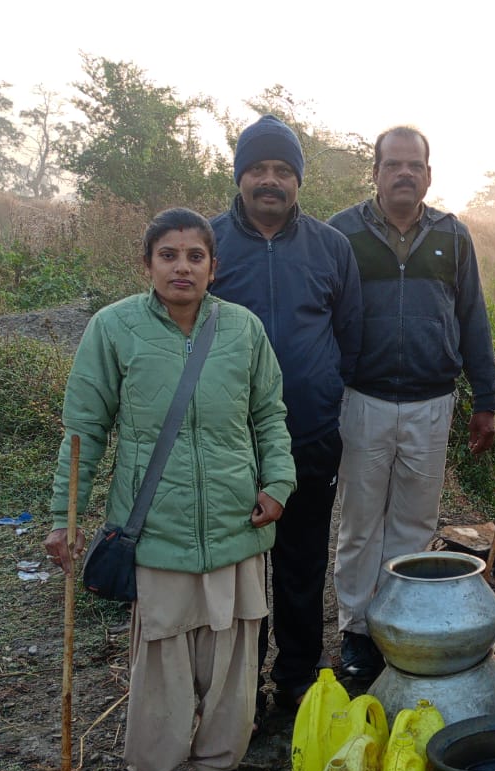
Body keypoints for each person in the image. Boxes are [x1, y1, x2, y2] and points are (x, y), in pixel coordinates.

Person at [44, 208, 295, 771]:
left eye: (195, 256)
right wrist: (63, 519)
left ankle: (218, 768)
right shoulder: (114, 329)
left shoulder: (242, 328)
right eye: (168, 255)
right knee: (161, 663)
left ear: (214, 266)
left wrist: (278, 483)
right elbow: (83, 428)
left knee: (233, 656)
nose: (182, 267)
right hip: (155, 527)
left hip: (236, 524)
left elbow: (269, 413)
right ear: (147, 264)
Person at [327, 126, 495, 677]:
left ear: (428, 174)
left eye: (414, 165)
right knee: (359, 524)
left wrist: (486, 399)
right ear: (375, 172)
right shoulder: (342, 233)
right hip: (363, 399)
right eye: (393, 164)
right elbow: (323, 317)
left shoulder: (453, 235)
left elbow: (472, 317)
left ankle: (398, 625)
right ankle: (358, 632)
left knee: (414, 523)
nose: (404, 173)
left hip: (432, 402)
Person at [211, 115, 363, 710]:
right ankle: (241, 685)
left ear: (298, 180)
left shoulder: (331, 247)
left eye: (281, 169)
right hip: (228, 440)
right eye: (257, 168)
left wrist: (321, 391)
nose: (269, 180)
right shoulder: (209, 243)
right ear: (239, 176)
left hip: (310, 435)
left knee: (302, 560)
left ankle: (297, 677)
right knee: (240, 566)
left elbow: (350, 334)